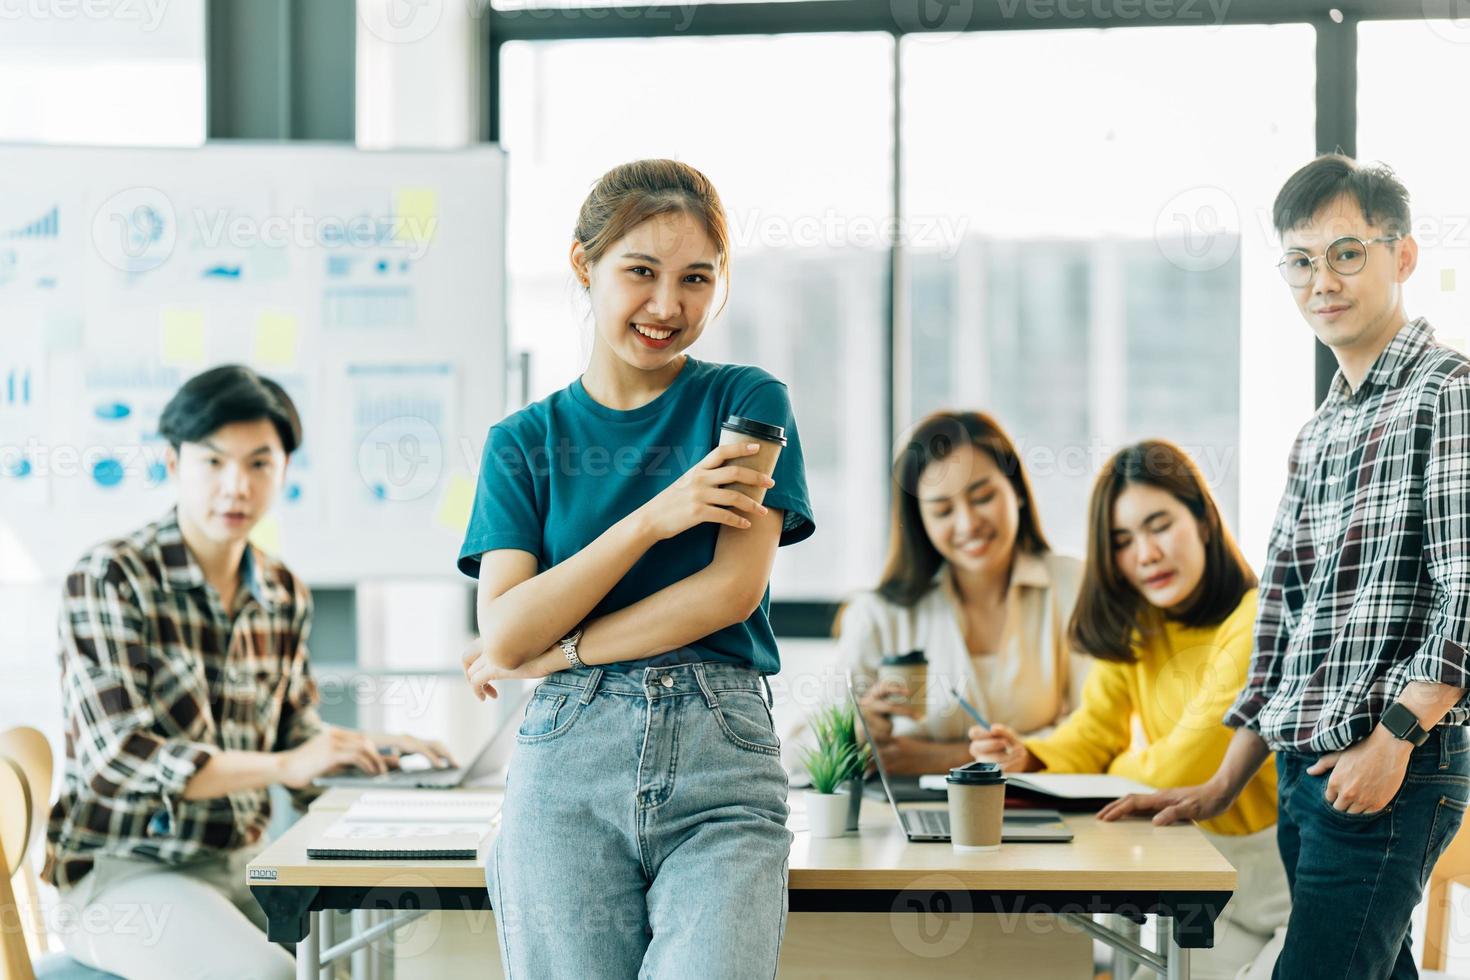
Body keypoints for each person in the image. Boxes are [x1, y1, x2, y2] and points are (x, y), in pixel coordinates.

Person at [1103, 154, 1470, 979]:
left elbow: (1469, 593)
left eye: (1347, 253)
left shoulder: (1447, 392)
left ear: (1403, 256)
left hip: (1391, 770)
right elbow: (1284, 629)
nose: (1323, 281)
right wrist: (1223, 784)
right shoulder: (1319, 435)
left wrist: (1395, 739)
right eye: (1301, 262)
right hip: (1306, 781)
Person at [457, 160, 815, 977]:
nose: (668, 307)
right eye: (641, 272)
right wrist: (655, 518)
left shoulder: (746, 402)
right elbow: (507, 633)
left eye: (696, 278)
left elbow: (729, 592)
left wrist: (565, 649)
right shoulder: (523, 443)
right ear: (584, 266)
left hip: (720, 758)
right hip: (566, 767)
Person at [44, 365, 452, 979]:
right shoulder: (109, 577)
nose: (236, 486)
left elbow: (296, 742)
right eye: (213, 462)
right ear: (173, 463)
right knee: (269, 975)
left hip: (241, 867)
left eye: (259, 463)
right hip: (120, 872)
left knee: (367, 958)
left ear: (285, 470)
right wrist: (289, 765)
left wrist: (374, 757)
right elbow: (120, 759)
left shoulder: (282, 592)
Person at [971, 440, 1288, 980]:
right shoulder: (1139, 627)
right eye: (1123, 540)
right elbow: (1095, 731)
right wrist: (1032, 756)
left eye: (1159, 524)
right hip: (1219, 885)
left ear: (1204, 521)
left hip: (1290, 884)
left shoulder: (1257, 615)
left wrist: (1104, 777)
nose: (1146, 554)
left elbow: (1191, 764)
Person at [833, 410, 1087, 776]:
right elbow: (800, 751)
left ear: (1015, 490)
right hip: (903, 819)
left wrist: (928, 758)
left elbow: (1097, 733)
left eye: (982, 497)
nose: (967, 524)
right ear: (921, 521)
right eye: (942, 510)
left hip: (1044, 812)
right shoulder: (878, 612)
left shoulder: (1071, 585)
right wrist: (855, 733)